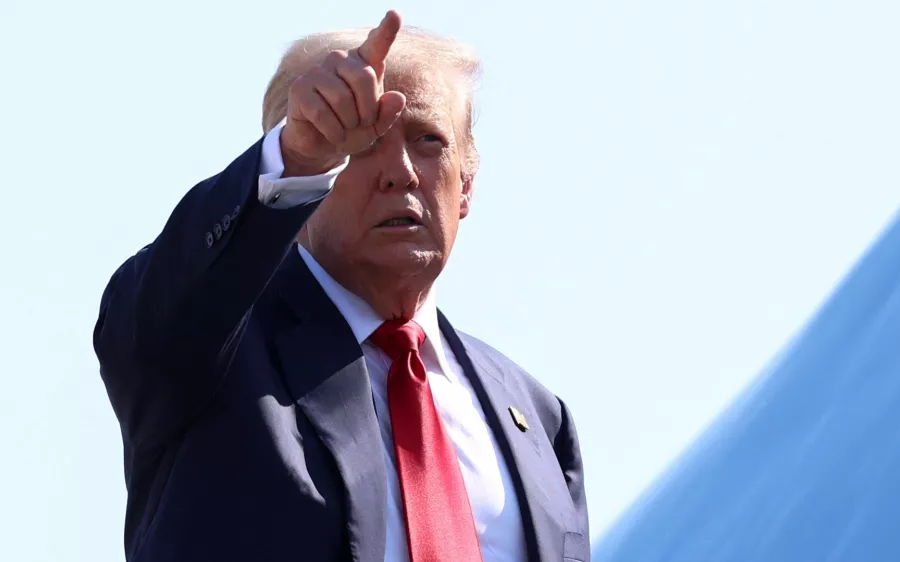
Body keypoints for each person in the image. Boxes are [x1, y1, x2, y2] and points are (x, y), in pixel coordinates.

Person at [92, 9, 589, 562]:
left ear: (467, 184)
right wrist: (299, 154)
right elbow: (154, 319)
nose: (399, 170)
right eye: (362, 142)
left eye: (428, 139)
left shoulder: (539, 418)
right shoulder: (218, 355)